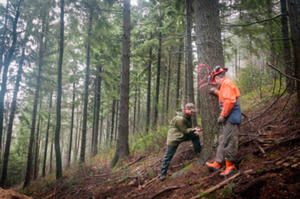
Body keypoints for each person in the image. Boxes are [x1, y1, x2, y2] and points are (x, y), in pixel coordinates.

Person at [205, 66, 242, 177]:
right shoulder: (224, 86)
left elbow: (230, 101)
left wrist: (222, 115)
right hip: (228, 118)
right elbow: (225, 96)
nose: (215, 83)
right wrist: (216, 92)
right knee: (223, 140)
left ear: (217, 78)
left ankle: (230, 166)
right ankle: (218, 162)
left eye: (215, 81)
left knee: (230, 141)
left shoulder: (227, 84)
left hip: (231, 118)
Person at [159, 103, 202, 181]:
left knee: (195, 136)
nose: (192, 113)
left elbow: (187, 129)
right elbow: (185, 130)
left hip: (181, 135)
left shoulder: (187, 116)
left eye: (193, 112)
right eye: (191, 112)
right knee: (168, 156)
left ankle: (198, 153)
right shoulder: (180, 119)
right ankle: (162, 174)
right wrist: (194, 129)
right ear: (186, 110)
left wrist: (194, 131)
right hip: (174, 139)